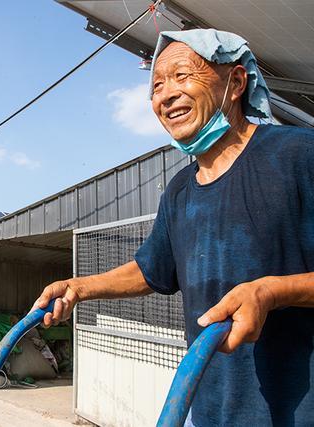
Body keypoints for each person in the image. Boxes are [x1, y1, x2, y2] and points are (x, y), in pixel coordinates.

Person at [33, 29, 314, 426]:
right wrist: (80, 287)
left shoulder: (299, 154)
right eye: (157, 86)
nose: (165, 96)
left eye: (183, 76)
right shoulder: (181, 190)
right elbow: (151, 270)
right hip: (212, 410)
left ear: (235, 83)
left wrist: (271, 291)